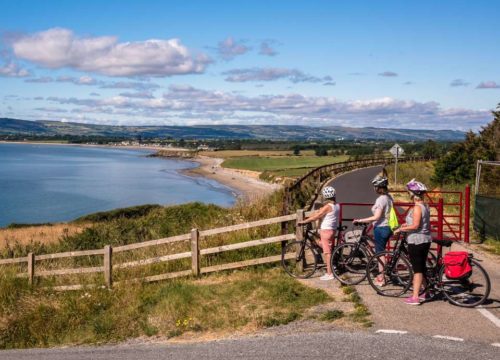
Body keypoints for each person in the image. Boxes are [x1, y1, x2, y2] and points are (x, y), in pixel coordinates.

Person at [394, 179, 432, 305]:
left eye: (409, 192)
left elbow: (415, 226)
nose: (408, 194)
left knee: (417, 270)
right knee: (421, 267)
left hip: (417, 241)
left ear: (413, 194)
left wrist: (400, 229)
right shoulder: (425, 206)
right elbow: (419, 223)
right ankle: (427, 291)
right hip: (424, 239)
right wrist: (407, 224)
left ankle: (415, 297)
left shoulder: (417, 208)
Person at [354, 175, 393, 286]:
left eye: (375, 186)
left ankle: (381, 277)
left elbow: (376, 217)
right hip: (388, 226)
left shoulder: (381, 199)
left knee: (380, 254)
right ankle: (383, 274)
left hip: (381, 227)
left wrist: (361, 220)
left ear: (379, 187)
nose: (374, 188)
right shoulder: (389, 197)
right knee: (380, 251)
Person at [297, 186, 340, 280]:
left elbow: (318, 216)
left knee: (327, 253)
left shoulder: (327, 207)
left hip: (326, 231)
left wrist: (304, 221)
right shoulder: (336, 206)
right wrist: (309, 217)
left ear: (325, 196)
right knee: (324, 246)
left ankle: (329, 274)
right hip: (332, 230)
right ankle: (333, 265)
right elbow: (319, 212)